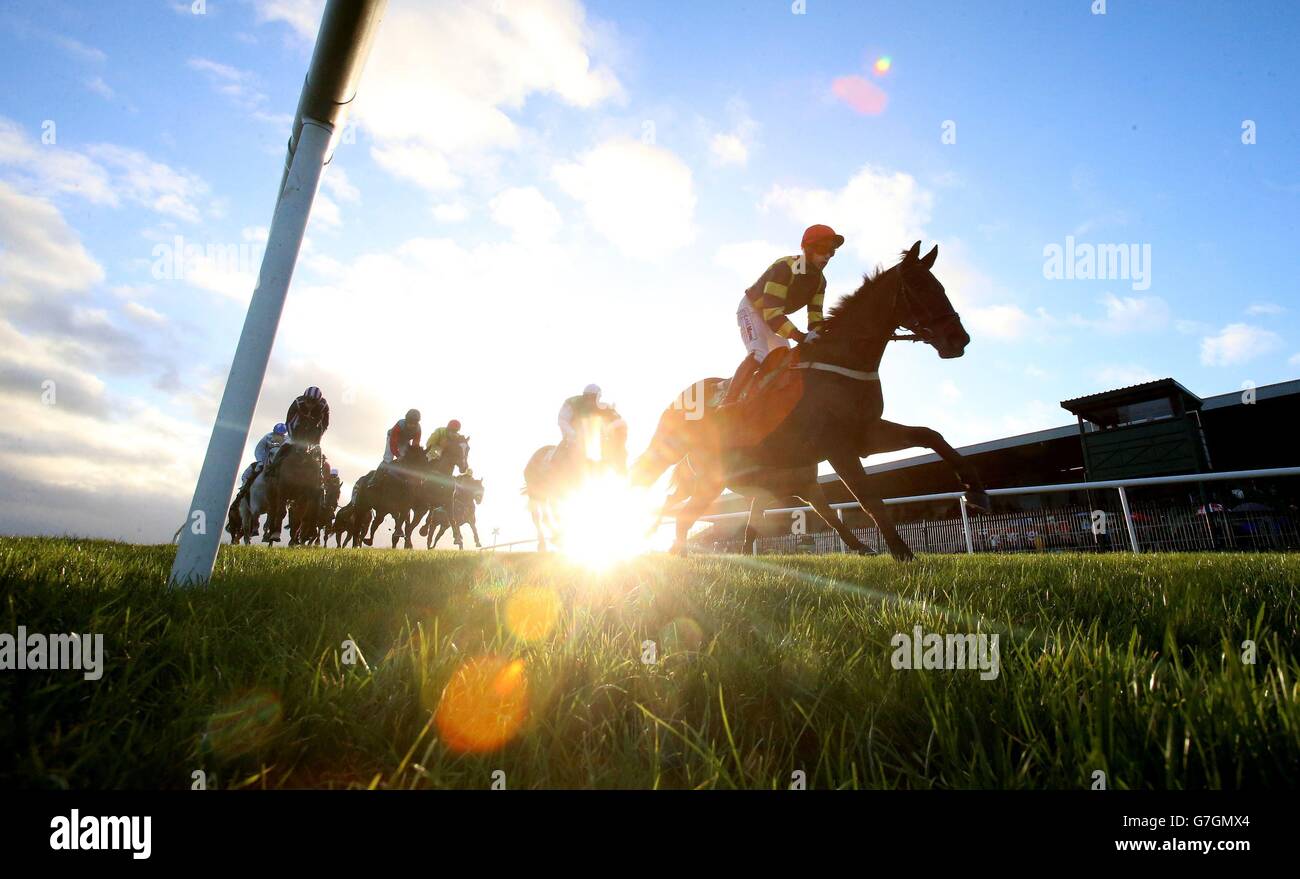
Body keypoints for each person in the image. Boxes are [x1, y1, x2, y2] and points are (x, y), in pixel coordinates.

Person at [720, 224, 844, 407]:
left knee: (784, 363)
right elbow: (771, 313)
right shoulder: (786, 267)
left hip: (773, 318)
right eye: (823, 249)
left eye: (832, 252)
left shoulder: (820, 282)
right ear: (808, 249)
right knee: (759, 354)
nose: (827, 256)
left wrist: (825, 337)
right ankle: (726, 404)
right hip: (752, 309)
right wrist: (800, 336)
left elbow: (815, 318)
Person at [555, 384, 625, 467]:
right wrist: (572, 433)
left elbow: (616, 420)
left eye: (594, 398)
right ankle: (554, 462)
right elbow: (562, 420)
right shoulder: (572, 403)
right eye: (589, 398)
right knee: (571, 442)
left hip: (590, 435)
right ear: (585, 397)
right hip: (571, 428)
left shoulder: (600, 406)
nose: (591, 401)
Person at [240, 422, 288, 488]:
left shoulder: (287, 441)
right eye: (276, 434)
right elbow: (258, 450)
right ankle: (243, 489)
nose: (278, 436)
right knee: (251, 470)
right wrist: (261, 462)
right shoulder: (267, 437)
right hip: (265, 460)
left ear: (283, 435)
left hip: (279, 463)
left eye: (280, 435)